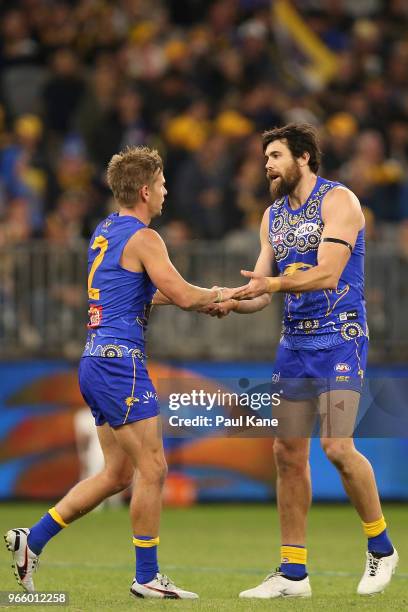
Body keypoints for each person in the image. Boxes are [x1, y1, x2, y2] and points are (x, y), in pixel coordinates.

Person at [4, 145, 240, 599]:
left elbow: (139, 294)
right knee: (153, 466)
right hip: (120, 363)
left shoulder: (106, 231)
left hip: (94, 360)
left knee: (116, 475)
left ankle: (31, 541)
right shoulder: (146, 238)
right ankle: (147, 576)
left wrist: (207, 299)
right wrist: (221, 295)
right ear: (146, 189)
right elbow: (185, 294)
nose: (168, 191)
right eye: (164, 183)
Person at [206, 123, 398, 598]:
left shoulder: (340, 202)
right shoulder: (271, 216)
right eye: (266, 157)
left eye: (274, 155)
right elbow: (262, 290)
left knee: (336, 446)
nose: (267, 165)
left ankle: (382, 546)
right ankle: (293, 574)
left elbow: (329, 274)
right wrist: (232, 300)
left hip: (340, 339)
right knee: (286, 454)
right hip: (293, 345)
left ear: (304, 157)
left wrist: (267, 286)